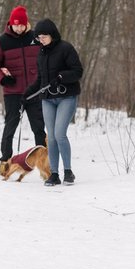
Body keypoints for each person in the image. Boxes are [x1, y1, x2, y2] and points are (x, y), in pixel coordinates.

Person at [0, 6, 46, 176]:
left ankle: (43, 164)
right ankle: (5, 161)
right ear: (11, 24)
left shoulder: (36, 38)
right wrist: (3, 78)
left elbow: (47, 57)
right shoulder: (1, 42)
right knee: (10, 126)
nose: (19, 28)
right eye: (16, 25)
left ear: (26, 23)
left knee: (39, 128)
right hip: (13, 92)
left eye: (22, 25)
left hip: (34, 92)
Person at [24, 18, 83, 186]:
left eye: (43, 37)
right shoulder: (41, 54)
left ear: (52, 35)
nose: (40, 40)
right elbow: (40, 79)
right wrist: (27, 93)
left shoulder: (66, 48)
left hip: (66, 97)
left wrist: (62, 77)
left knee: (59, 134)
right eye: (38, 38)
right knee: (50, 138)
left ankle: (68, 171)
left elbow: (78, 71)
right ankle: (54, 174)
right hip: (48, 99)